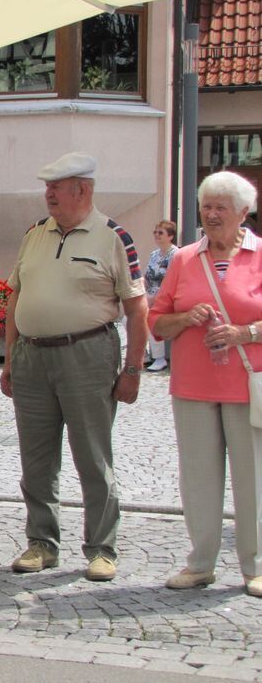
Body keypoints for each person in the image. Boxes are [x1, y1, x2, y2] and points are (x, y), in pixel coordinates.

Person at [0, 152, 148, 582]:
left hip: (88, 356)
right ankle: (41, 542)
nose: (47, 194)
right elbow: (15, 298)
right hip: (32, 358)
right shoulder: (34, 234)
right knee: (36, 458)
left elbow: (138, 311)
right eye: (46, 186)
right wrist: (10, 358)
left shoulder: (114, 237)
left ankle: (102, 547)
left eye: (56, 187)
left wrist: (133, 370)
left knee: (92, 456)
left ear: (82, 190)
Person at [148, 171, 262, 598]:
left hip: (245, 386)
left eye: (221, 208)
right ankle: (200, 563)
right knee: (198, 478)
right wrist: (185, 318)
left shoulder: (260, 255)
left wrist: (243, 334)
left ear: (243, 214)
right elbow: (156, 321)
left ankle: (255, 566)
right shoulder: (183, 259)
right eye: (206, 207)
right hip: (194, 385)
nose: (211, 215)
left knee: (252, 478)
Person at [144, 220, 178, 372]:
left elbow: (170, 280)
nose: (157, 235)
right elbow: (147, 276)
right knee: (128, 319)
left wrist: (154, 298)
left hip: (167, 297)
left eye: (160, 233)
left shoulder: (175, 255)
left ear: (170, 236)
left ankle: (159, 358)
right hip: (150, 295)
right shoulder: (154, 254)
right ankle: (143, 354)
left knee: (150, 317)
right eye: (155, 232)